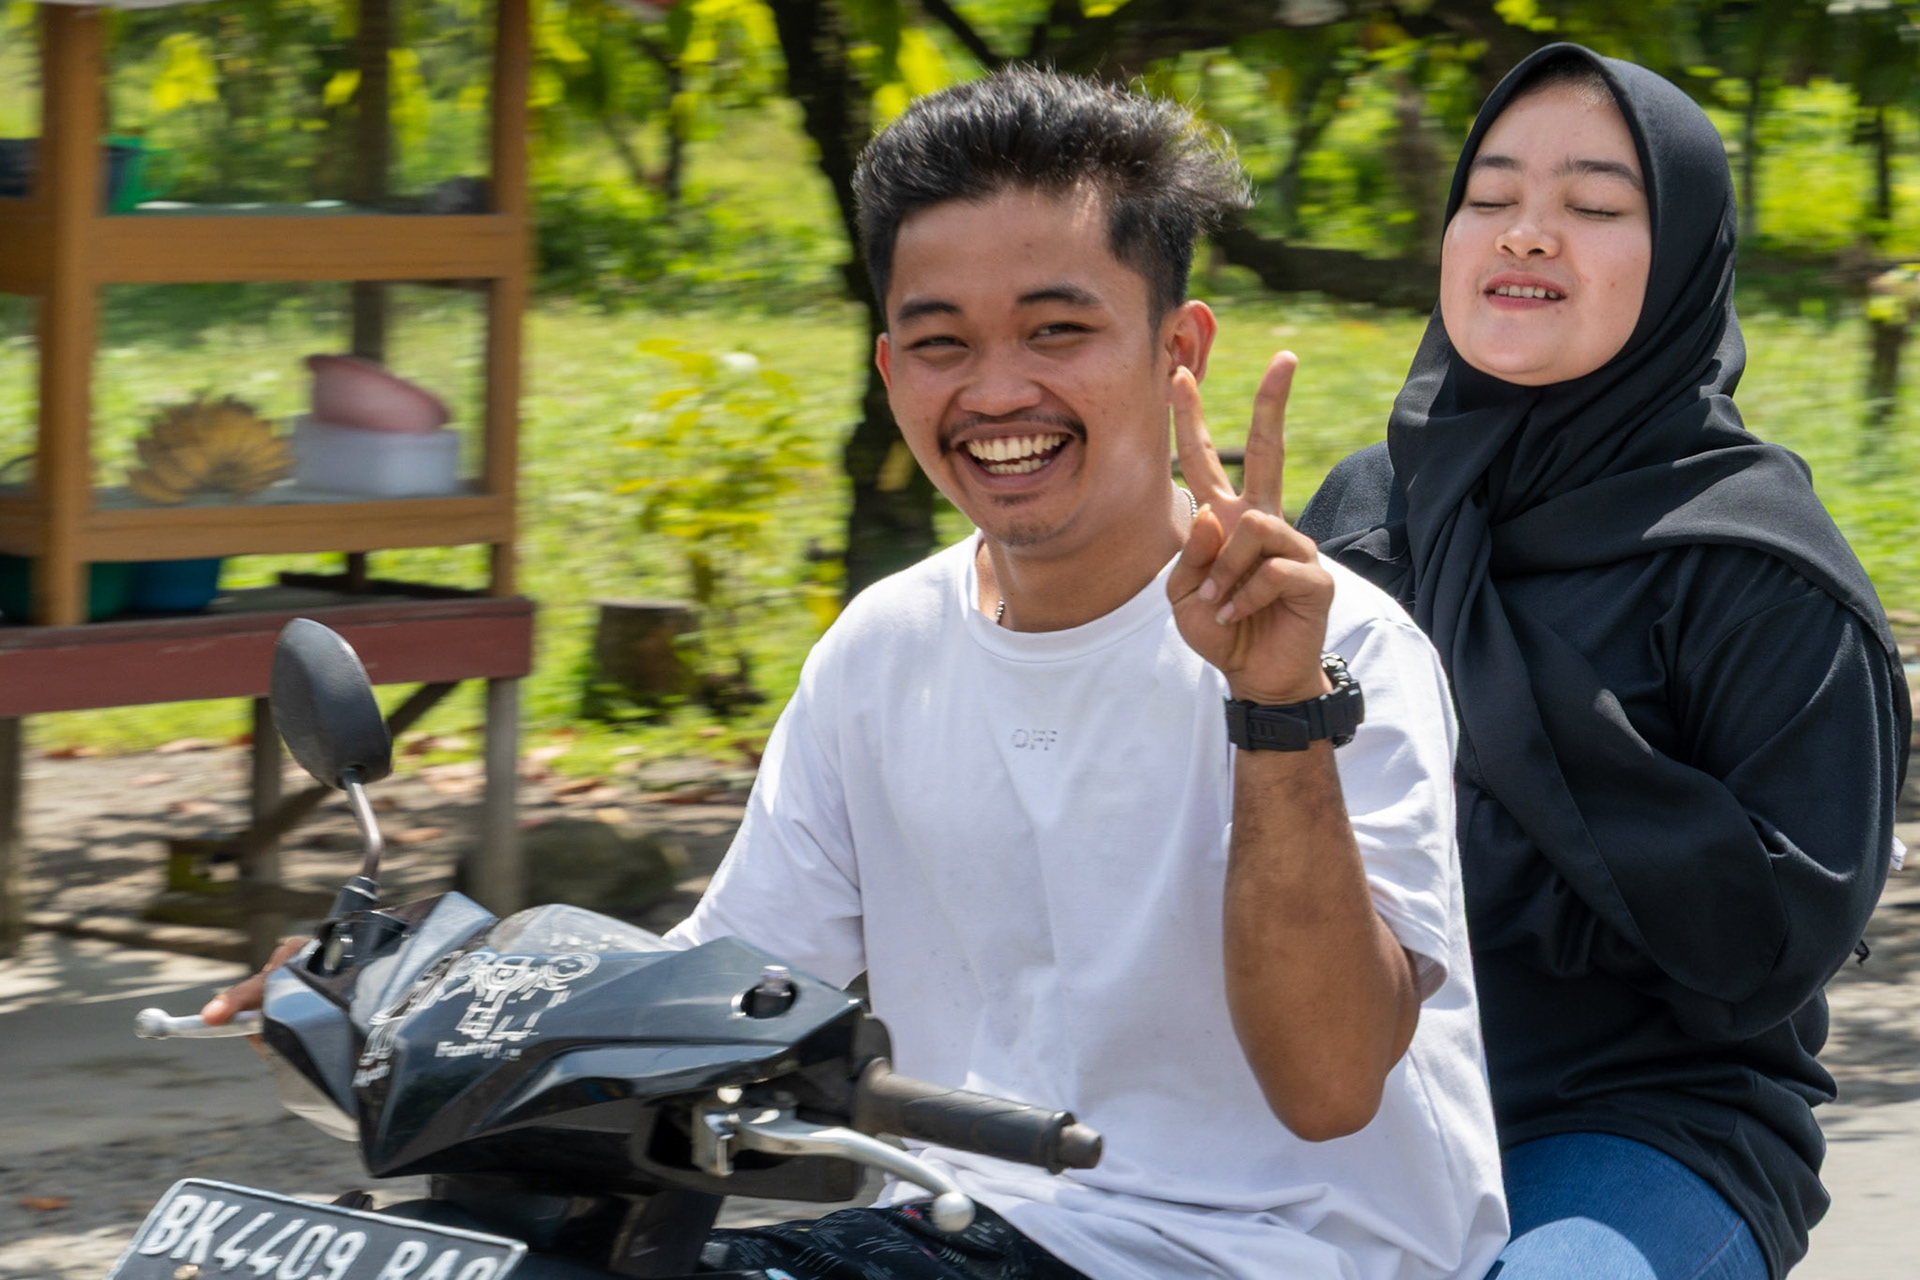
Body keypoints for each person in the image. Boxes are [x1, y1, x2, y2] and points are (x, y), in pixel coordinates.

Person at [208, 69, 1506, 1279]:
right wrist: (423, 992)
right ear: (890, 368)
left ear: (1181, 352)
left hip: (1277, 1253)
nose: (998, 391)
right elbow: (722, 983)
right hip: (963, 1229)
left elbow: (1333, 1086)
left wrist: (1276, 709)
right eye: (941, 343)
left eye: (1057, 330)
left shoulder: (1337, 648)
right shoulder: (884, 650)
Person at [1297, 43, 1911, 1280]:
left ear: (1679, 258)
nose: (1526, 232)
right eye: (1491, 195)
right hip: (1348, 1106)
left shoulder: (1753, 567)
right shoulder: (1366, 516)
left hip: (1639, 1121)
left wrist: (1444, 852)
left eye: (1592, 205)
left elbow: (1767, 938)